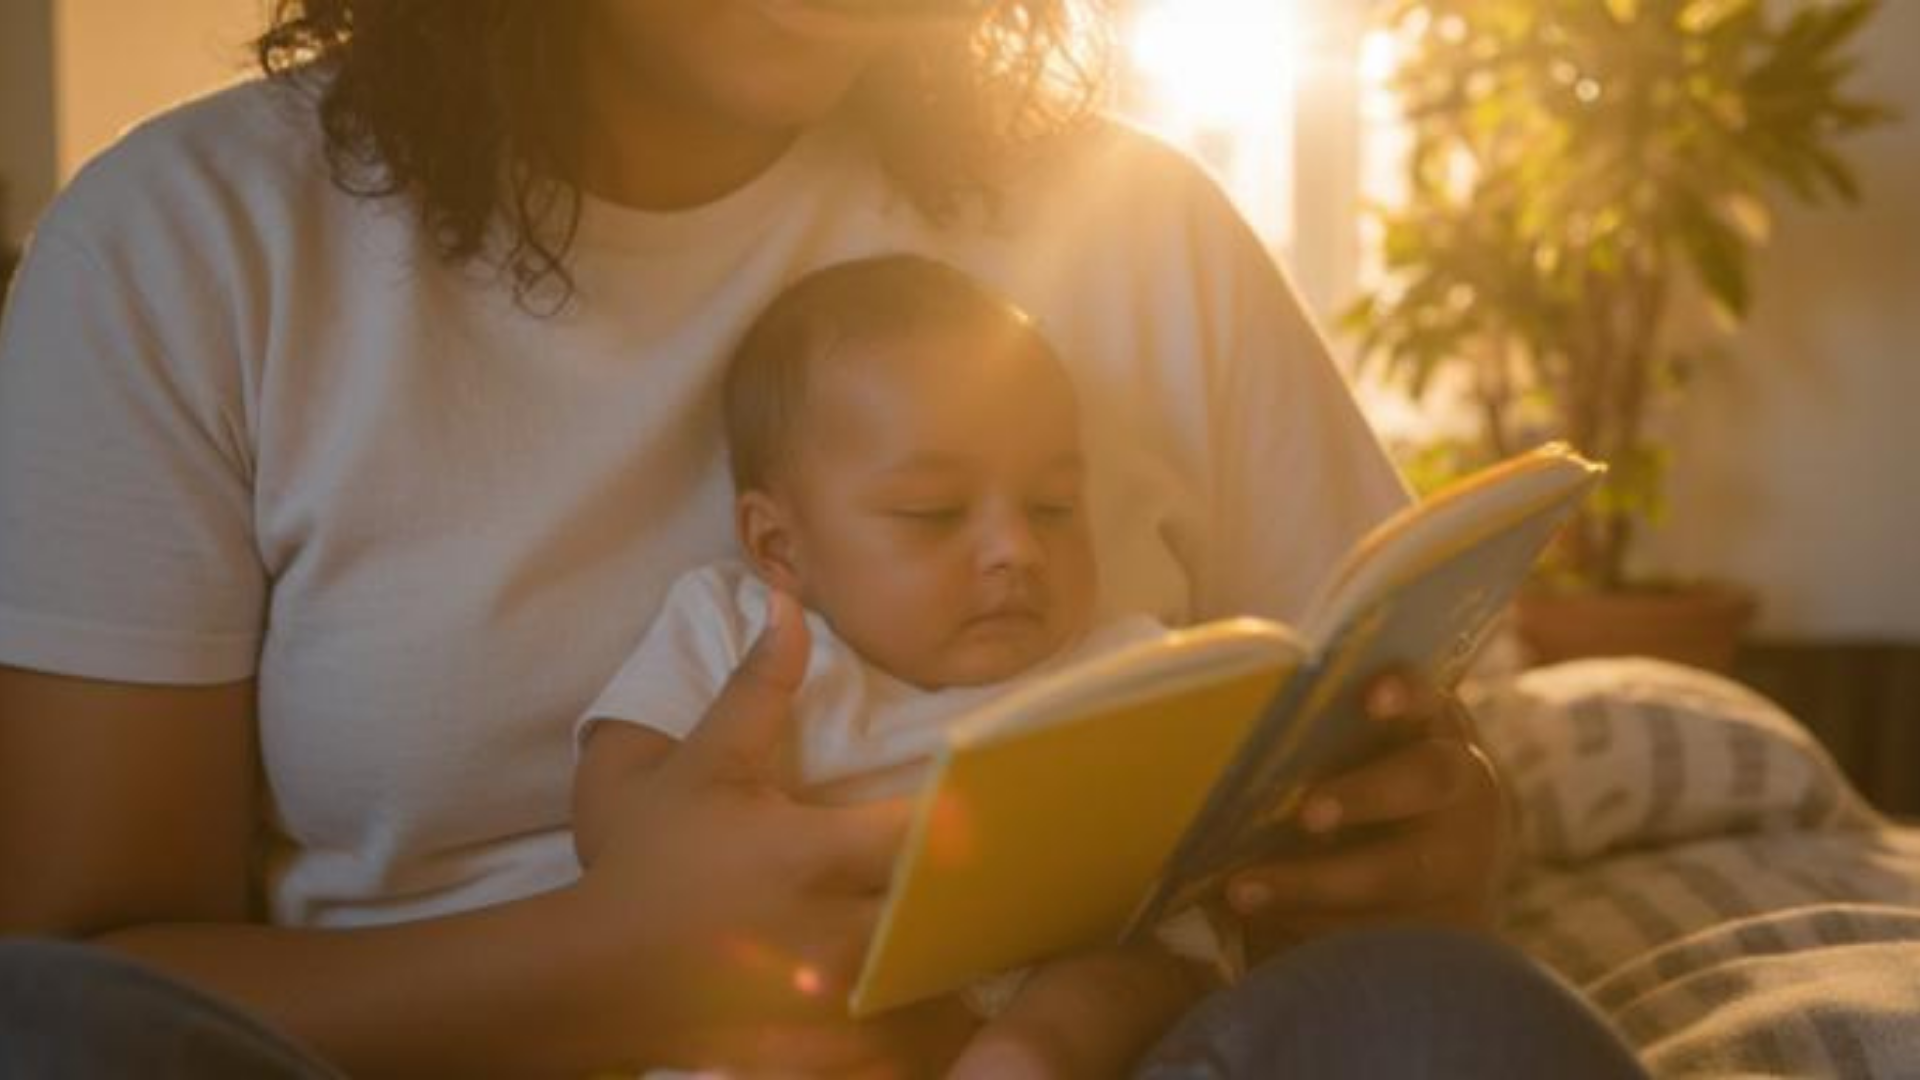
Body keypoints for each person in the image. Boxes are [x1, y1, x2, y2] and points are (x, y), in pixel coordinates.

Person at [0, 2, 1648, 1077]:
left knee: (1444, 1025)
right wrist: (623, 961)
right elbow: (87, 973)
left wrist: (1433, 846)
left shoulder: (1131, 225)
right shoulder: (191, 246)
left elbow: (1372, 740)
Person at [574, 253, 1238, 1076]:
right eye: (934, 514)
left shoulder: (1119, 660)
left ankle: (1024, 1061)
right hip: (814, 981)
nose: (1016, 550)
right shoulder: (735, 627)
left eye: (1054, 507)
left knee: (1135, 975)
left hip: (1051, 968)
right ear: (779, 544)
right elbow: (617, 819)